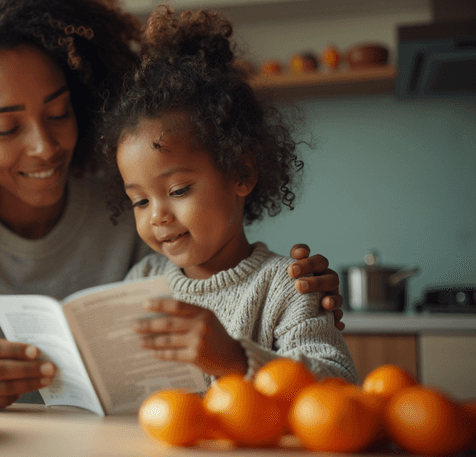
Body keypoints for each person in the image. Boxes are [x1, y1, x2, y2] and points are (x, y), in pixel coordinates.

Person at [0, 0, 346, 411]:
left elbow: (234, 281)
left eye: (59, 113)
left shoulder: (123, 182)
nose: (45, 145)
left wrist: (291, 297)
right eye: (6, 127)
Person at [99, 6, 356, 382]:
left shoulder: (286, 286)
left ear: (241, 172)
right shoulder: (143, 280)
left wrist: (237, 361)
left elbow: (339, 383)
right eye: (140, 200)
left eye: (178, 190)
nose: (157, 215)